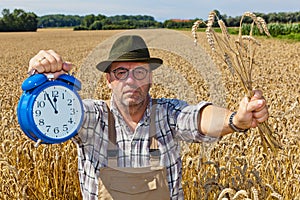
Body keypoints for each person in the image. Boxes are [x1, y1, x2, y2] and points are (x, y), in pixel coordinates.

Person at [27, 35, 269, 200]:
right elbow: (45, 121)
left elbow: (198, 118)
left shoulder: (167, 114)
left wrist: (236, 120)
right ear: (109, 80)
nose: (132, 81)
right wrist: (43, 84)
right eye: (121, 72)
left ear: (151, 78)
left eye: (140, 71)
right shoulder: (92, 118)